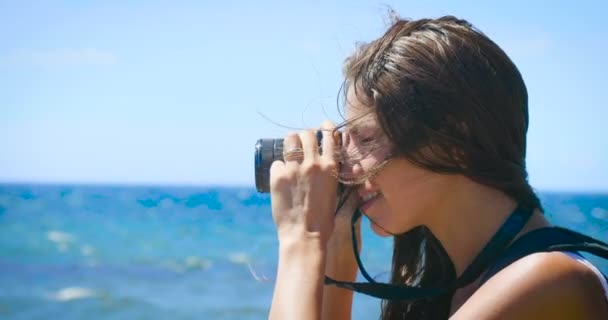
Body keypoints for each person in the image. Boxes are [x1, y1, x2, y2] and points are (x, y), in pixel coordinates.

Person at [267, 15, 608, 319]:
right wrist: (337, 242)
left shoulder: (547, 280)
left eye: (365, 138)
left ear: (451, 141)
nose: (345, 166)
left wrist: (302, 239)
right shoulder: (457, 285)